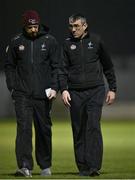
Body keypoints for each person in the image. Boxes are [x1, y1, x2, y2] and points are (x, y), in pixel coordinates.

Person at [59, 13, 117, 176]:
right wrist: (63, 89)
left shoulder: (97, 41)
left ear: (85, 26)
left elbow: (108, 66)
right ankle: (83, 167)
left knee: (92, 126)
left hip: (95, 91)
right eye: (71, 26)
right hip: (75, 93)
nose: (73, 29)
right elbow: (61, 70)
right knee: (78, 129)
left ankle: (93, 167)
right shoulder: (66, 44)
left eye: (76, 26)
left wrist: (112, 88)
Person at [5, 10, 59, 177]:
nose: (34, 30)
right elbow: (9, 67)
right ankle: (25, 166)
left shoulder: (50, 41)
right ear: (24, 26)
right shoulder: (16, 42)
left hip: (43, 95)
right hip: (22, 95)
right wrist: (13, 87)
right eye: (30, 27)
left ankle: (45, 166)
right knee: (24, 130)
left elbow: (57, 66)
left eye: (35, 26)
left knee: (43, 130)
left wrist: (54, 87)